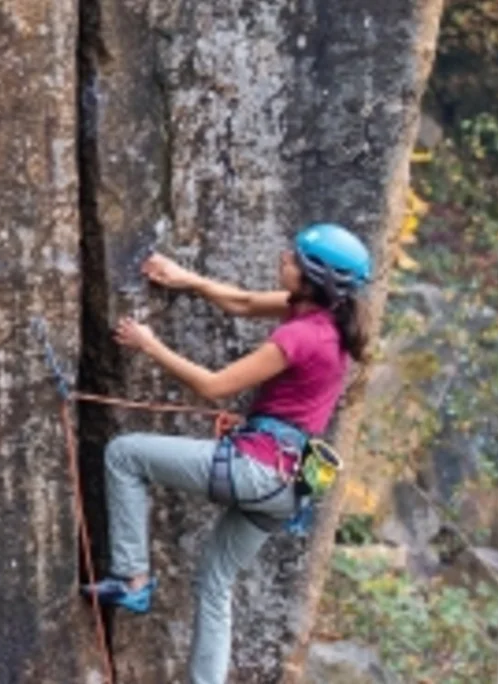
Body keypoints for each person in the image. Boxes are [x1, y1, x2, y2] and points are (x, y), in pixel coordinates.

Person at [81, 223, 372, 684]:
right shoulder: (325, 320)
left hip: (257, 470)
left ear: (316, 278)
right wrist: (188, 279)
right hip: (288, 489)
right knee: (214, 583)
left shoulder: (298, 337)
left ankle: (132, 578)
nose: (284, 259)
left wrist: (149, 343)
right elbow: (242, 302)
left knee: (124, 454)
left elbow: (214, 386)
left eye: (294, 259)